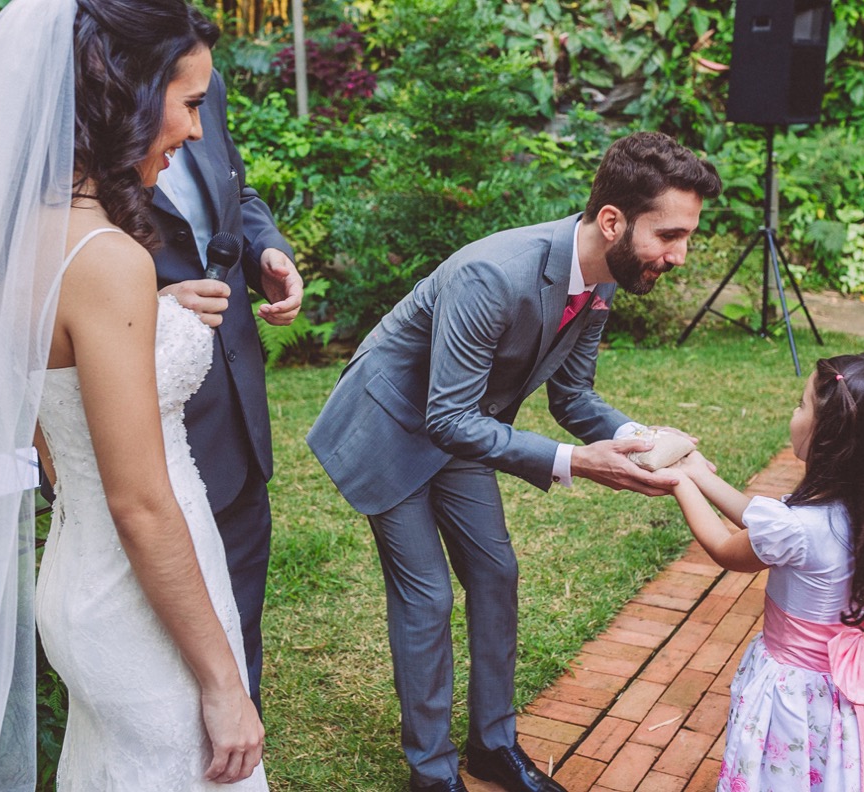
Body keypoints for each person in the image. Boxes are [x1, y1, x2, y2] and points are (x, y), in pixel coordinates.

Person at [0, 0, 266, 789]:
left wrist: (149, 325)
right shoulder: (108, 260)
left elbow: (50, 411)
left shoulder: (16, 242)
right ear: (131, 96)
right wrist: (223, 683)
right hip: (142, 596)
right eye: (189, 104)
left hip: (79, 575)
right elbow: (140, 503)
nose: (199, 130)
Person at [307, 132, 722, 792]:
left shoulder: (603, 278)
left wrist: (640, 437)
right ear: (613, 221)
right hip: (391, 425)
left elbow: (573, 394)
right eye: (669, 235)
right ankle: (433, 772)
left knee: (496, 574)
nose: (679, 256)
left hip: (462, 427)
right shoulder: (493, 273)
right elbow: (445, 416)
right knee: (428, 597)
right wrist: (575, 463)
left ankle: (493, 746)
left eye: (687, 237)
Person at [661, 353, 864, 792]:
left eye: (802, 405)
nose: (795, 412)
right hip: (851, 695)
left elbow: (726, 549)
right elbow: (765, 521)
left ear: (830, 436)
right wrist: (698, 470)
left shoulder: (798, 526)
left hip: (796, 694)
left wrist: (678, 482)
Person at [150, 65, 303, 716]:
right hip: (143, 424)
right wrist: (148, 304)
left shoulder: (198, 78)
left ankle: (245, 736)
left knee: (241, 607)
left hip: (235, 412)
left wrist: (265, 251)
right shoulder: (71, 109)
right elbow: (34, 282)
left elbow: (235, 197)